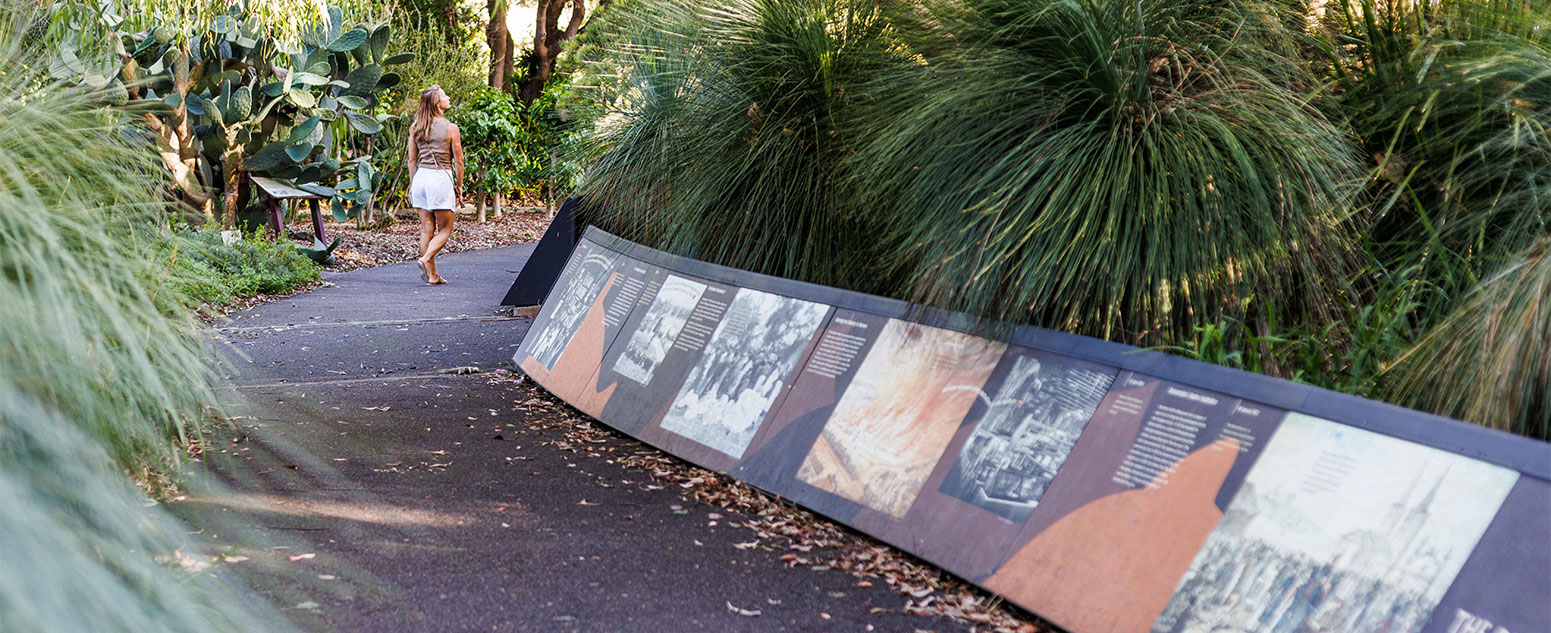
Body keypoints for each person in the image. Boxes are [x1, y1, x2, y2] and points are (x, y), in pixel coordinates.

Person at [407, 85, 463, 285]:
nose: (448, 97)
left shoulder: (416, 127)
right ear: (438, 103)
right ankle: (425, 258)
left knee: (426, 228)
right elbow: (459, 161)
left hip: (421, 178)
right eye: (444, 96)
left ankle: (432, 276)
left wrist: (412, 186)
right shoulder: (450, 128)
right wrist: (460, 185)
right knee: (445, 229)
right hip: (440, 179)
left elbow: (412, 161)